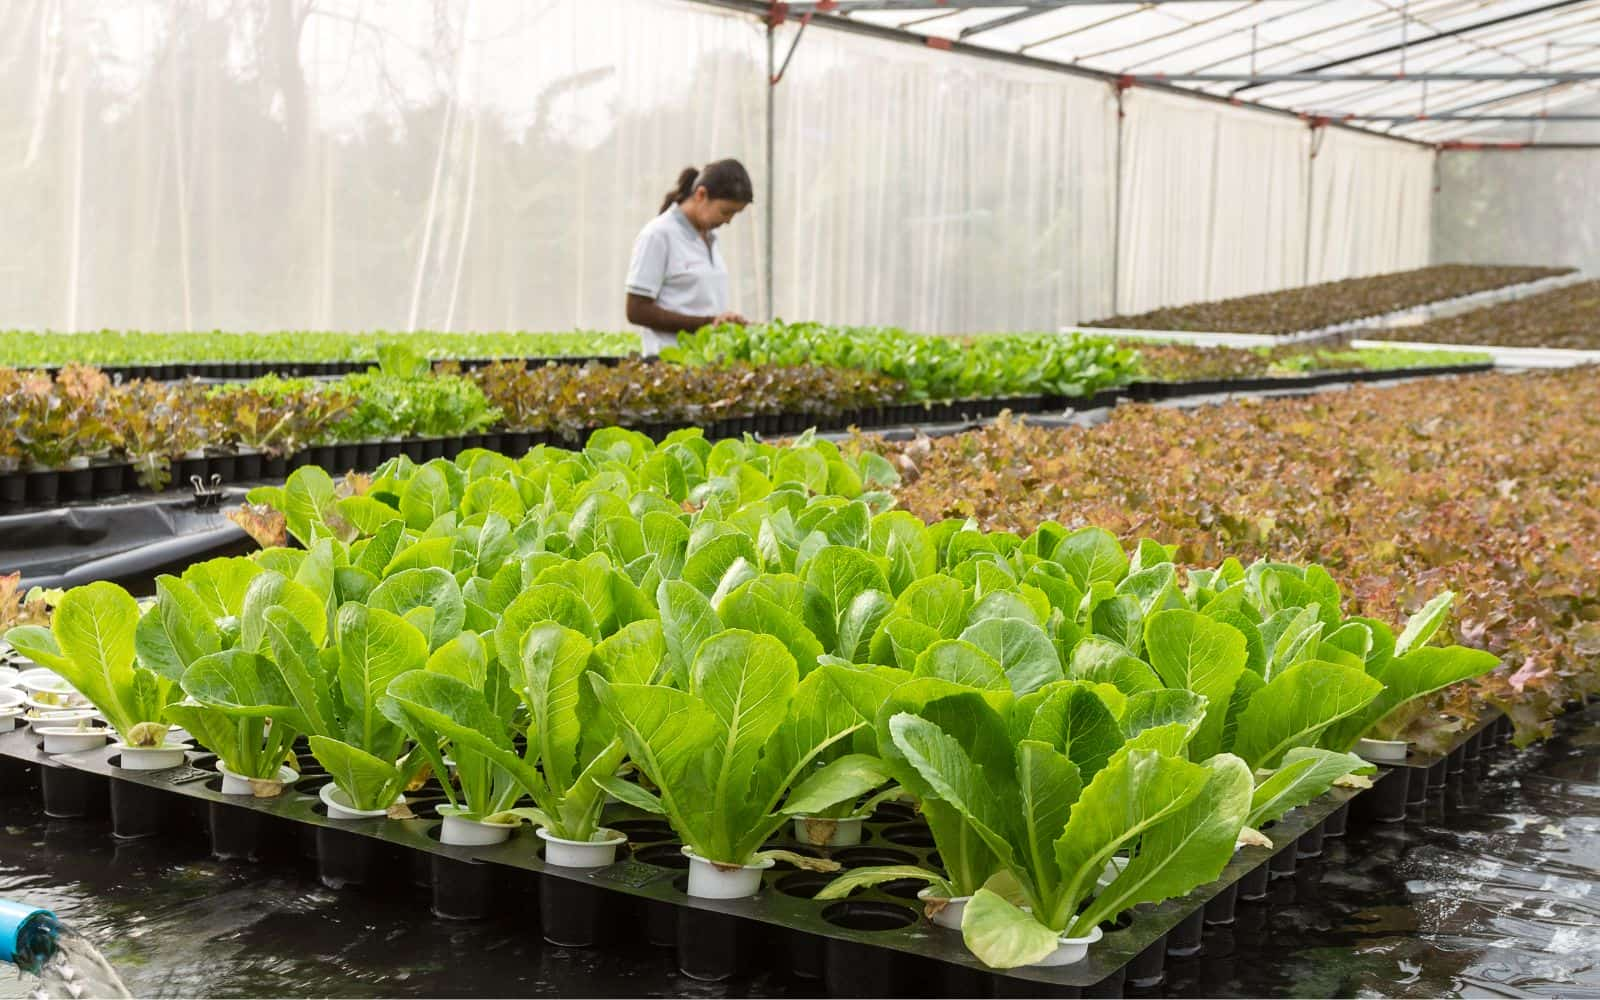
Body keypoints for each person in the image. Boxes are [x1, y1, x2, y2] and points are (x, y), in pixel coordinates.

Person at [625, 159, 754, 356]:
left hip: (702, 362)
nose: (728, 221)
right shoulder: (658, 235)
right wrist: (707, 324)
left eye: (734, 214)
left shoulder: (710, 238)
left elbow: (698, 302)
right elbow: (636, 310)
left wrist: (725, 323)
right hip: (667, 366)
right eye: (726, 212)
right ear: (701, 195)